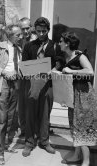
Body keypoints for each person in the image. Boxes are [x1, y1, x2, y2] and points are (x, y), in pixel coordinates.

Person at [21, 17, 64, 157]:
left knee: (45, 114)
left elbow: (60, 61)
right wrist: (29, 73)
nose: (40, 34)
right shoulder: (28, 46)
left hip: (48, 84)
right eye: (38, 31)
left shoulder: (55, 46)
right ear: (35, 30)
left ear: (48, 30)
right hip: (32, 83)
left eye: (43, 31)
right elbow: (25, 65)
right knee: (30, 113)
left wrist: (54, 69)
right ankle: (29, 142)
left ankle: (44, 142)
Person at [59, 31, 97, 166]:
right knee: (74, 125)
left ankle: (86, 161)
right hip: (73, 95)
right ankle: (76, 155)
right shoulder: (66, 56)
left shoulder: (80, 56)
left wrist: (71, 71)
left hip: (84, 96)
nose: (59, 43)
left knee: (82, 127)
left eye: (61, 41)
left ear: (67, 43)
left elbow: (90, 71)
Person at [0, 24, 22, 165]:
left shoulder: (19, 49)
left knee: (10, 117)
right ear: (10, 35)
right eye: (17, 35)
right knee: (0, 120)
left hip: (15, 84)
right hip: (2, 84)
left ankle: (5, 145)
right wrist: (3, 72)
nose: (20, 37)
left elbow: (19, 67)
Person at [17, 17, 37, 138]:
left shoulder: (35, 41)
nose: (25, 31)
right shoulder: (19, 40)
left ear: (32, 27)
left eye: (27, 28)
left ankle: (33, 130)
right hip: (21, 77)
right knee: (22, 104)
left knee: (31, 103)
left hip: (32, 76)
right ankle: (23, 128)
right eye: (23, 29)